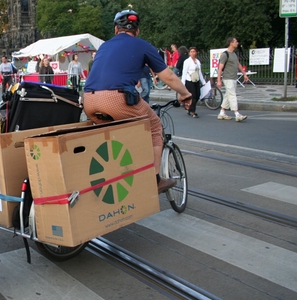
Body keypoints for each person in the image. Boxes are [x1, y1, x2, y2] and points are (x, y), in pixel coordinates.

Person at [83, 9, 192, 194]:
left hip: (89, 100)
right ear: (137, 31)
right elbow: (169, 77)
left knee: (115, 135)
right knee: (155, 127)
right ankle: (155, 180)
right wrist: (185, 94)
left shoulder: (104, 46)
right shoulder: (142, 45)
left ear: (116, 30)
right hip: (115, 99)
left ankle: (116, 173)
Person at [216, 37, 248, 122]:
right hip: (228, 78)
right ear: (231, 43)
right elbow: (220, 68)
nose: (237, 43)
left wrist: (244, 74)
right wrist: (219, 80)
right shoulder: (225, 54)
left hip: (234, 78)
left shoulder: (234, 54)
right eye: (235, 42)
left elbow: (238, 65)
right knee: (232, 95)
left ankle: (222, 113)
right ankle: (237, 114)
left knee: (228, 95)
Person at [181, 47, 205, 118]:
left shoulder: (197, 61)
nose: (192, 53)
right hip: (189, 80)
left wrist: (203, 82)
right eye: (191, 52)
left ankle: (189, 107)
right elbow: (184, 72)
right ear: (189, 53)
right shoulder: (187, 61)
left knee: (198, 95)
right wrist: (183, 83)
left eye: (194, 51)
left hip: (196, 80)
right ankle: (193, 111)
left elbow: (199, 72)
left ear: (196, 52)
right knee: (193, 96)